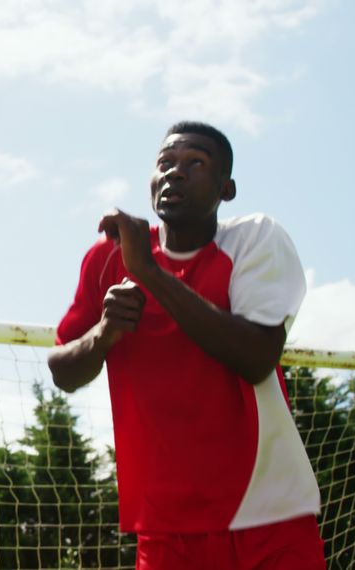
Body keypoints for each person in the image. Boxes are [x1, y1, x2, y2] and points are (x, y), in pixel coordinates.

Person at [48, 121, 326, 569]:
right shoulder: (106, 257)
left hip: (269, 512)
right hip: (165, 528)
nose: (175, 173)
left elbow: (256, 358)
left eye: (195, 163)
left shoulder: (255, 239)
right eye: (165, 163)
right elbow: (63, 371)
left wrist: (149, 273)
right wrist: (104, 333)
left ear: (226, 188)